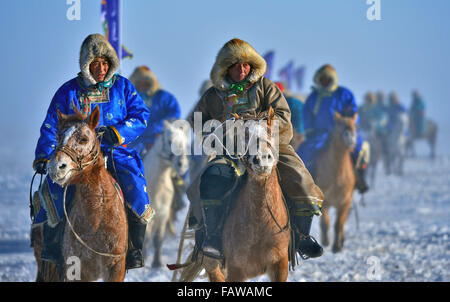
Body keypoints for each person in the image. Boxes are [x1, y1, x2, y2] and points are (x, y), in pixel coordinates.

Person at [187, 38, 324, 260]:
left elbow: (283, 115)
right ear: (226, 67)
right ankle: (212, 237)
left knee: (300, 176)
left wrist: (260, 124)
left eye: (246, 65)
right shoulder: (213, 94)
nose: (242, 70)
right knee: (211, 179)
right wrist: (217, 130)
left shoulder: (265, 87)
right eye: (236, 65)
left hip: (267, 148)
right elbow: (196, 120)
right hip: (231, 152)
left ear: (252, 66)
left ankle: (302, 237)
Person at [32, 34, 153, 270]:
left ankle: (134, 249)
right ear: (86, 65)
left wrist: (117, 133)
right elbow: (50, 125)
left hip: (115, 152)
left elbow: (141, 116)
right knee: (53, 190)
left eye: (105, 63)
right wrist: (44, 156)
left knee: (136, 190)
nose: (101, 68)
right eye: (95, 63)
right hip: (77, 158)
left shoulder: (122, 87)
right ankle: (54, 246)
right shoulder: (68, 91)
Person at [297, 64, 370, 194]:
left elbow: (353, 111)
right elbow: (307, 114)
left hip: (344, 131)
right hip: (321, 133)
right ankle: (308, 181)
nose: (325, 82)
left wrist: (349, 120)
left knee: (360, 148)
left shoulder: (344, 94)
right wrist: (309, 130)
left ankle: (360, 178)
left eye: (328, 79)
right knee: (304, 151)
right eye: (323, 79)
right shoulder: (314, 97)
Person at [127, 66, 182, 158]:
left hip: (160, 139)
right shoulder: (129, 100)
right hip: (136, 144)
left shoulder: (164, 97)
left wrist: (159, 129)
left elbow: (175, 115)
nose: (142, 86)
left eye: (145, 83)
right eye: (139, 83)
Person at [274, 81, 305, 150]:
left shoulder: (292, 103)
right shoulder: (271, 104)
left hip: (293, 135)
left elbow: (300, 119)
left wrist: (298, 133)